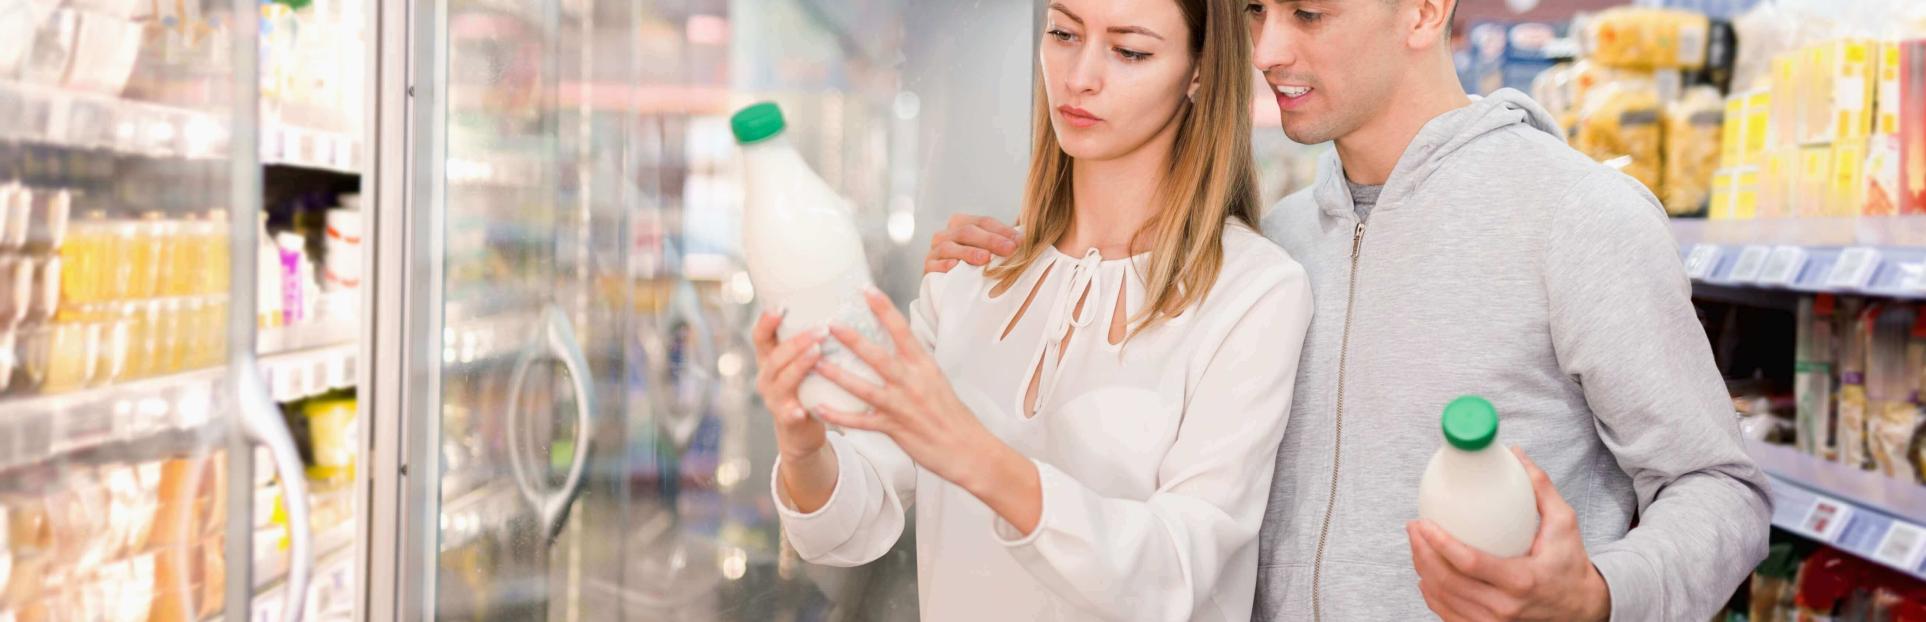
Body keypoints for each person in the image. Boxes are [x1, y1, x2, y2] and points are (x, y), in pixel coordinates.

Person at [924, 0, 1773, 619]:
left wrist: (1598, 595)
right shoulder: (1272, 246)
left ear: (1424, 12)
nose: (1266, 48)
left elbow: (1721, 489)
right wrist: (1008, 272)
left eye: (1309, 14)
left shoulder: (1579, 218)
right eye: (1257, 12)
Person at [751, 0, 1314, 619]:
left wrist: (976, 455)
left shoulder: (1254, 292)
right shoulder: (970, 276)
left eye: (1129, 51)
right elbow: (849, 527)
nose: (1079, 76)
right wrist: (805, 447)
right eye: (1064, 33)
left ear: (1201, 70)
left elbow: (1177, 573)